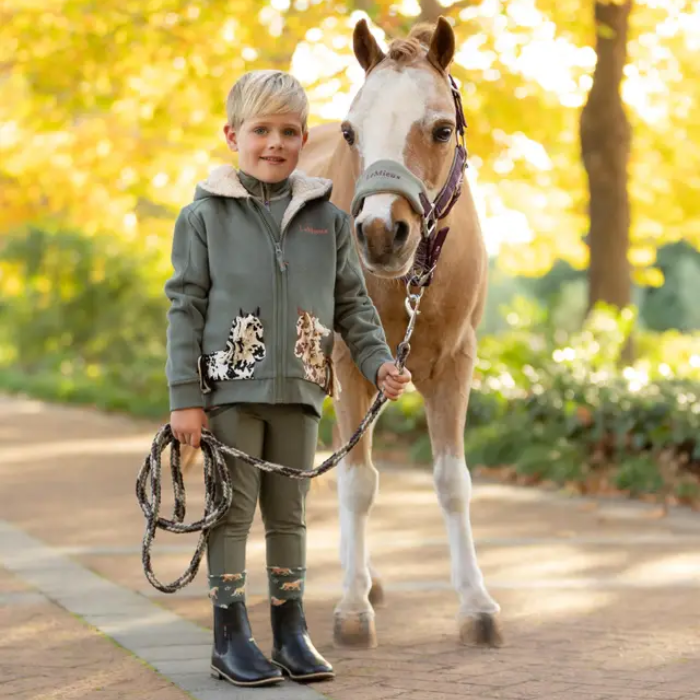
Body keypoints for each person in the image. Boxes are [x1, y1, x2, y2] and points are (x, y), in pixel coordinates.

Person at [164, 70, 411, 687]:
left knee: (289, 515)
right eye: (261, 130)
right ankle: (230, 635)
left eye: (289, 132)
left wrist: (378, 359)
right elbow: (185, 308)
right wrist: (185, 401)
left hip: (301, 390)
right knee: (231, 512)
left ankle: (291, 628)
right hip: (232, 391)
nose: (274, 143)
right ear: (232, 135)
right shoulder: (203, 216)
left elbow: (353, 304)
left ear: (305, 139)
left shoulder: (327, 219)